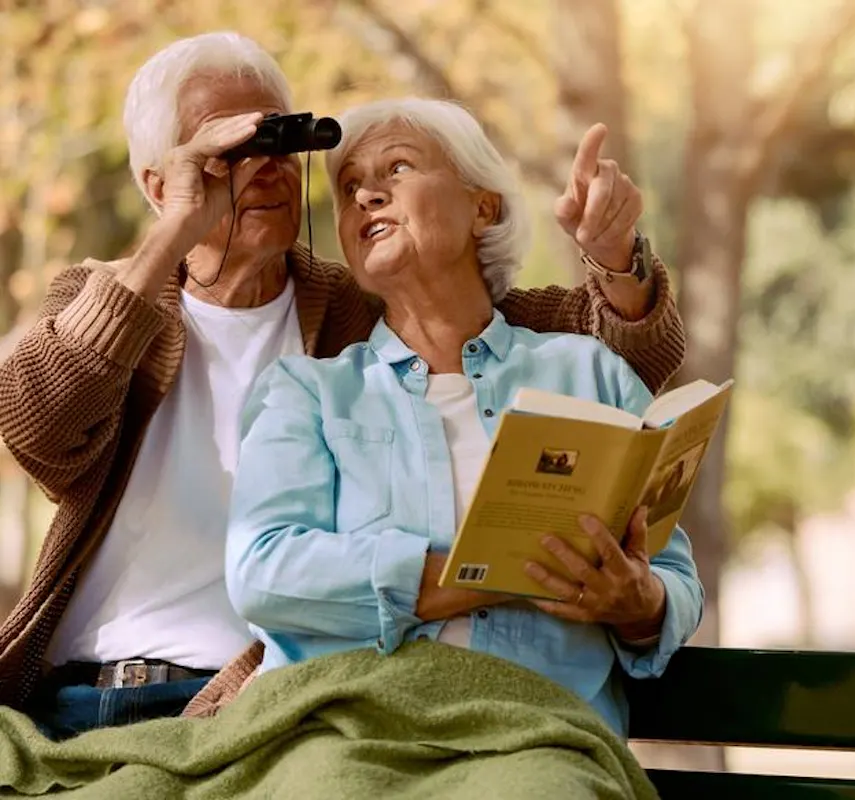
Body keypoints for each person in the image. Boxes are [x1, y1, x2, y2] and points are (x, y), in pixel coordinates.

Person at [0, 32, 685, 738]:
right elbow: (37, 425)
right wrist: (173, 233)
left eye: (280, 140)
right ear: (157, 182)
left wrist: (615, 258)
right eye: (231, 150)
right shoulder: (104, 300)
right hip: (82, 694)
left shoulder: (362, 305)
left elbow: (606, 347)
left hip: (249, 703)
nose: (266, 168)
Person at [218, 97, 703, 735]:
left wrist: (639, 603)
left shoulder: (587, 374)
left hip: (539, 731)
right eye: (349, 187)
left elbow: (674, 577)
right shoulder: (306, 391)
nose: (366, 195)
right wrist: (485, 575)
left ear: (484, 206)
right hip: (351, 727)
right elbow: (264, 572)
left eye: (397, 169)